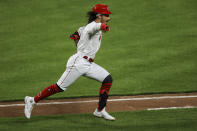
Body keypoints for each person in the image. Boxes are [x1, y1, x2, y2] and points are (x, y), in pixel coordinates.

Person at [24, 4, 115, 121]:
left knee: (107, 79)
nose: (109, 18)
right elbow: (95, 28)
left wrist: (79, 39)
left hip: (88, 64)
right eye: (106, 15)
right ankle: (32, 100)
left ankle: (100, 110)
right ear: (99, 16)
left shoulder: (85, 28)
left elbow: (76, 35)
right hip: (78, 63)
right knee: (59, 87)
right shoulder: (93, 26)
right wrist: (103, 26)